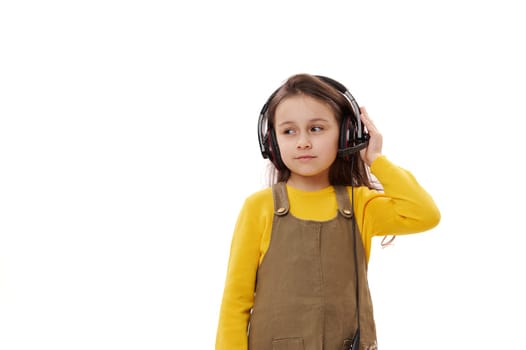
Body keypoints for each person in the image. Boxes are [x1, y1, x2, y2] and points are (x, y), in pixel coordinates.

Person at [215, 73, 440, 350]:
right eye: (289, 131)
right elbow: (236, 302)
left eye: (317, 129)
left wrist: (375, 159)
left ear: (347, 135)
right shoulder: (259, 207)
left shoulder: (360, 205)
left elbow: (424, 214)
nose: (303, 142)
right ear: (272, 142)